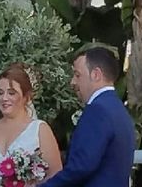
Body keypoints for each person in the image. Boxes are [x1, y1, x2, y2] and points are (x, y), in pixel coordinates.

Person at [39, 47, 135, 187]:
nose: (73, 82)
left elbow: (81, 166)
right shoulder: (117, 109)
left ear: (96, 74)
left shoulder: (98, 110)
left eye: (77, 75)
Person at [0, 63, 63, 187]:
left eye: (11, 93)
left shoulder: (39, 130)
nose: (4, 98)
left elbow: (55, 175)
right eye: (0, 93)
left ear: (26, 97)